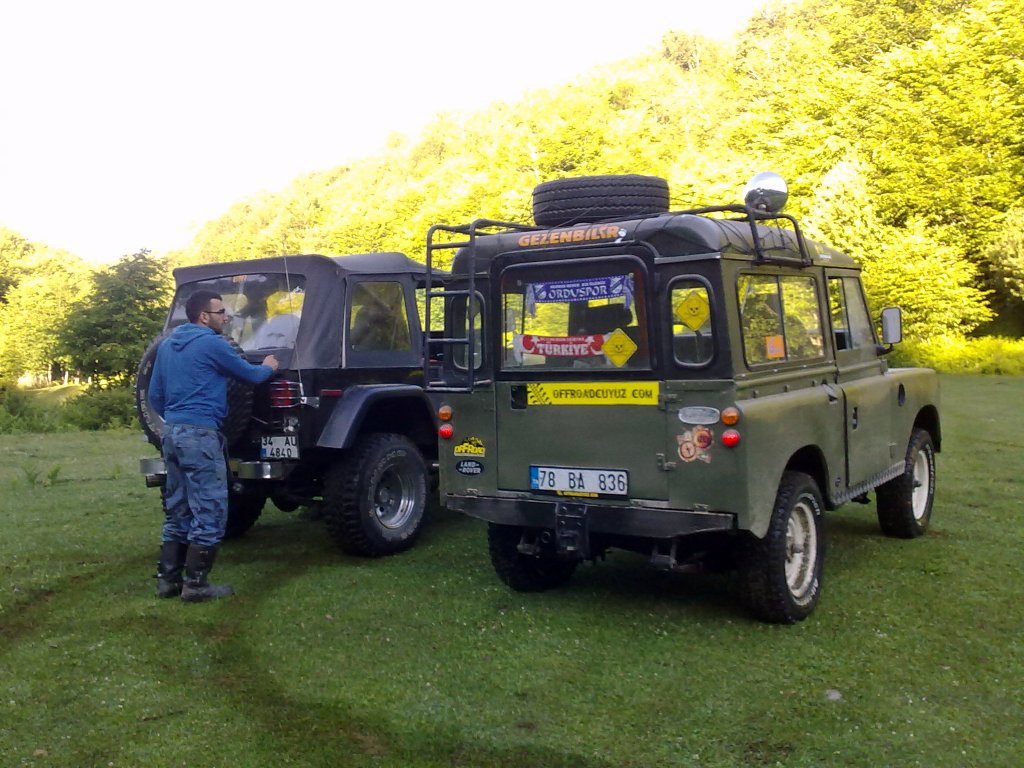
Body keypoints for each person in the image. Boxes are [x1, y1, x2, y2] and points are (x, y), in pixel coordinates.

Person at [148, 289, 279, 602]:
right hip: (201, 437)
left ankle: (168, 582)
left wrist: (179, 418)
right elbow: (249, 375)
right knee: (211, 508)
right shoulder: (212, 343)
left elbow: (154, 395)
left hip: (173, 434)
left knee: (178, 508)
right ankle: (196, 586)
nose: (226, 316)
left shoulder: (166, 346)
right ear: (204, 316)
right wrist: (270, 366)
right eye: (221, 312)